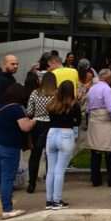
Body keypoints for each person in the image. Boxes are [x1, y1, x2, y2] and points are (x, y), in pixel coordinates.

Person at [0, 84, 34, 219]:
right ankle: (7, 209)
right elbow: (25, 127)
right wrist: (34, 120)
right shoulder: (16, 109)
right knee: (7, 177)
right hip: (8, 147)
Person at [45, 80, 81, 210]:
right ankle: (57, 200)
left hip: (51, 133)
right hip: (66, 133)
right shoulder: (73, 104)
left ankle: (49, 200)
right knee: (60, 170)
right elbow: (78, 121)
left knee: (51, 170)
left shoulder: (52, 104)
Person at [85, 68, 111, 188]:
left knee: (95, 152)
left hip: (94, 120)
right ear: (109, 78)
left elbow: (87, 107)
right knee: (110, 152)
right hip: (105, 121)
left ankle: (95, 179)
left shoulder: (92, 88)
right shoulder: (107, 89)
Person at [25, 72, 57, 194]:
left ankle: (31, 184)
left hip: (37, 125)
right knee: (50, 156)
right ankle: (51, 184)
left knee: (35, 155)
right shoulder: (56, 94)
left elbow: (29, 111)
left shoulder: (35, 93)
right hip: (52, 125)